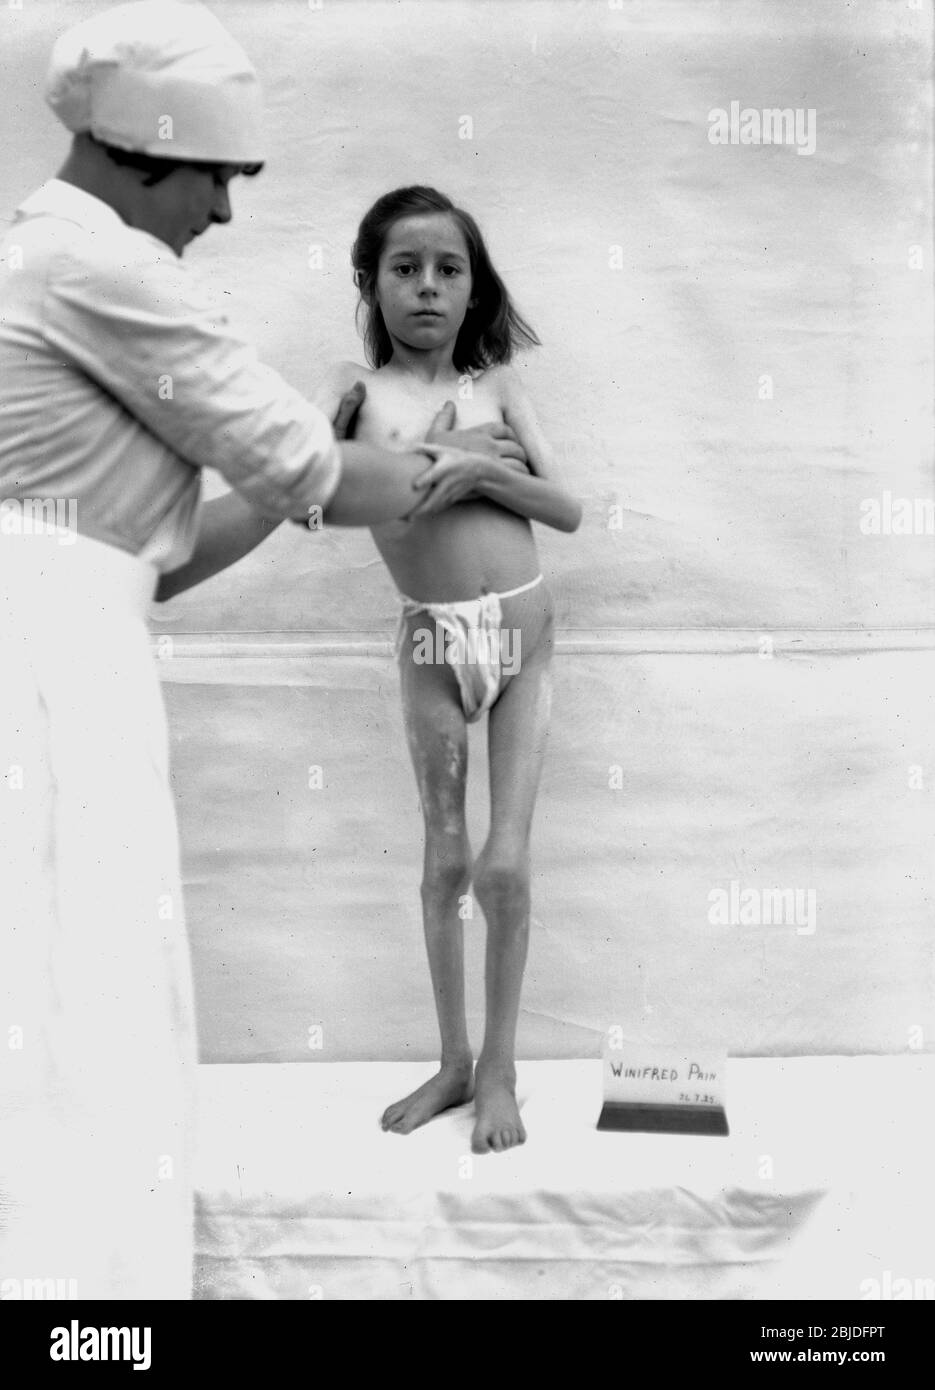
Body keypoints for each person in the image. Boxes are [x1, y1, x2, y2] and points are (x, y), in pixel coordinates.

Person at [0, 4, 527, 1299]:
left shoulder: (44, 259)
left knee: (80, 1001)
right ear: (136, 154)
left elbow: (166, 552)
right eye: (215, 179)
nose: (227, 213)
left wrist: (343, 474)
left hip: (76, 640)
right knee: (90, 1001)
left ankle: (80, 1282)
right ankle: (87, 1301)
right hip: (50, 681)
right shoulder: (107, 273)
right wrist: (430, 458)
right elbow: (305, 465)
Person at [314, 187, 582, 1154]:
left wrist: (477, 470)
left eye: (448, 269)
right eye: (404, 268)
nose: (427, 287)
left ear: (474, 289)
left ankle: (502, 1066)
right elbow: (314, 498)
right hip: (430, 643)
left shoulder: (503, 387)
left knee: (504, 861)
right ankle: (454, 1060)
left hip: (521, 639)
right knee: (443, 858)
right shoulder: (355, 388)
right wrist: (448, 450)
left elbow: (566, 510)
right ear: (370, 283)